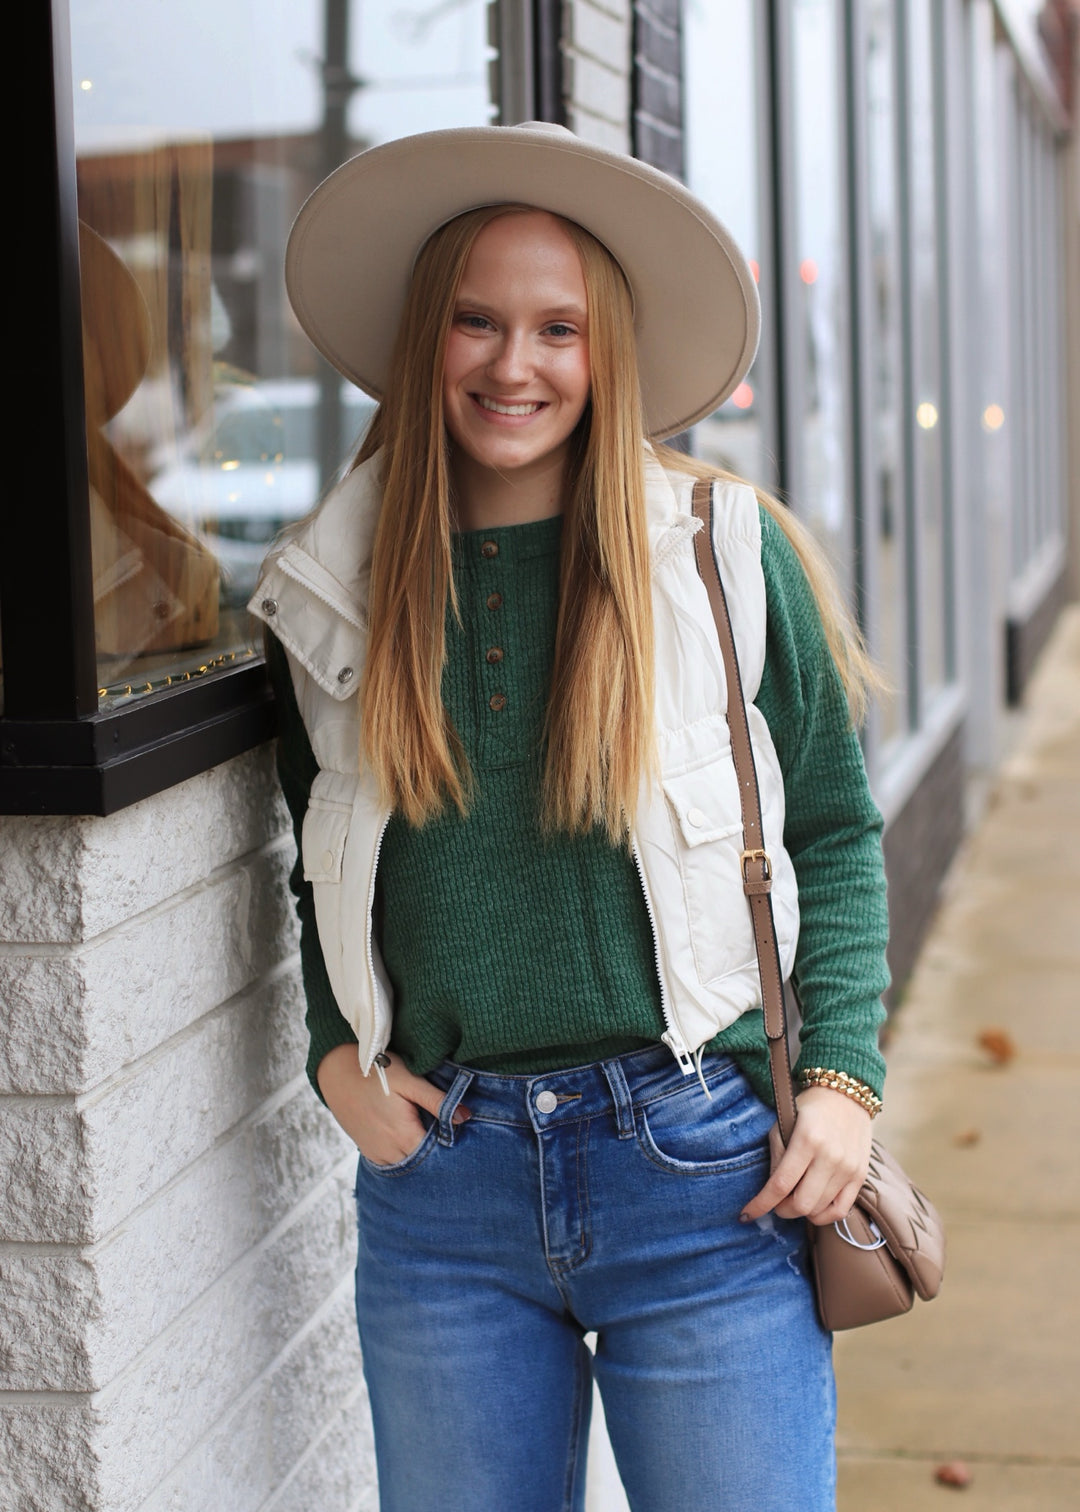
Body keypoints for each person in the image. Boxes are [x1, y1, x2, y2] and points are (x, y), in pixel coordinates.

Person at [251, 123, 889, 1512]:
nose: (514, 363)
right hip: (443, 1198)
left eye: (559, 327)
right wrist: (333, 1062)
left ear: (607, 351)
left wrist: (841, 1079)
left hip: (705, 1173)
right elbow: (320, 862)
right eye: (478, 321)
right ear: (429, 338)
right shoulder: (331, 595)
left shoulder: (724, 553)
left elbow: (833, 828)